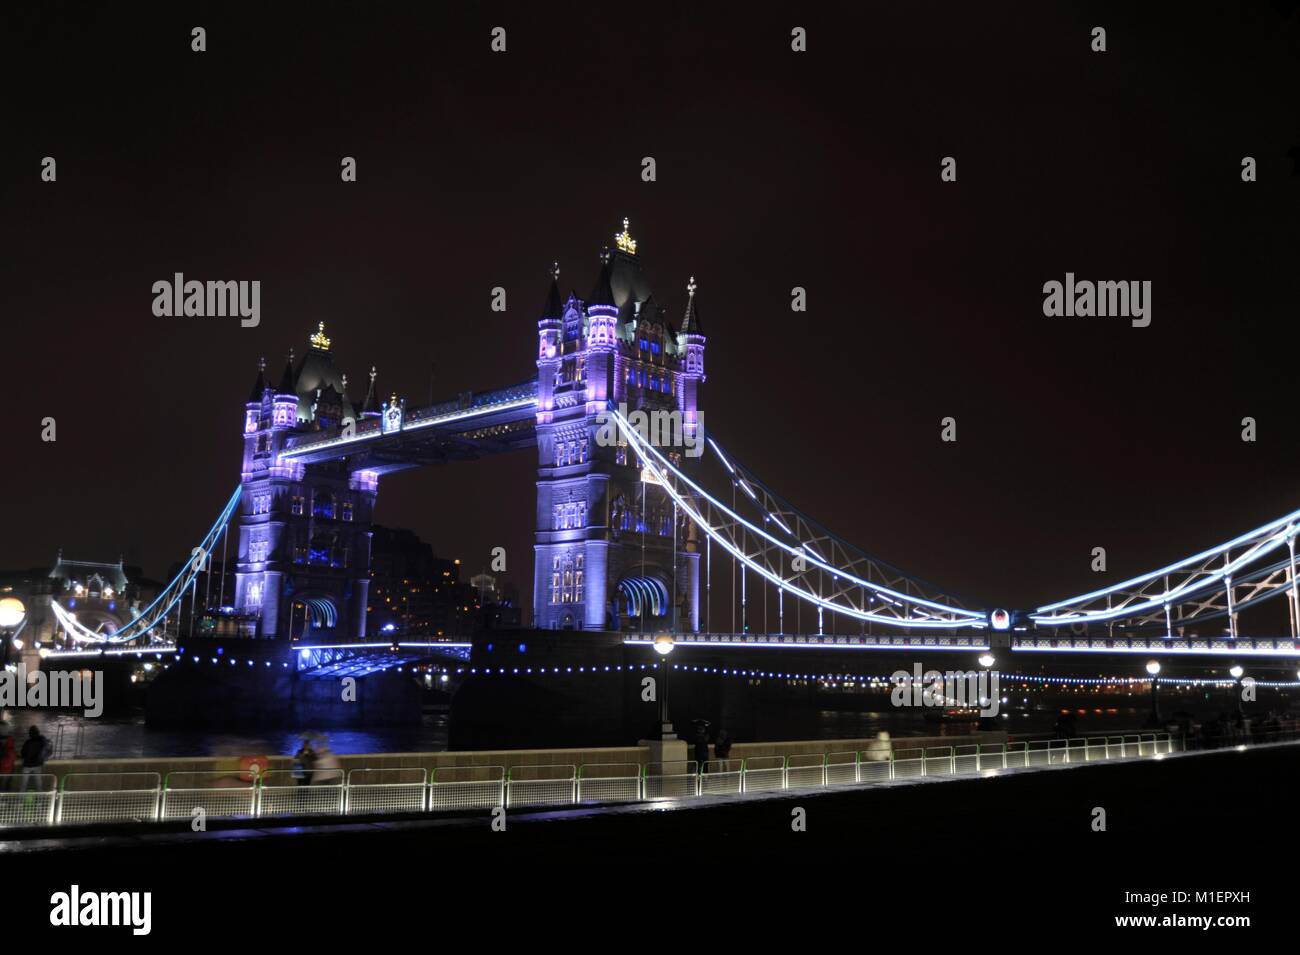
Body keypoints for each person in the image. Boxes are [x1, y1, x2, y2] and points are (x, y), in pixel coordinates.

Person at [20, 726, 52, 791]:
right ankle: (40, 798)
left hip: (27, 765)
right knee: (39, 784)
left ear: (30, 734)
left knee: (23, 784)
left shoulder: (28, 742)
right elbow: (47, 749)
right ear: (38, 732)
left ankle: (21, 799)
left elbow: (23, 753)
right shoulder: (42, 740)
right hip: (38, 764)